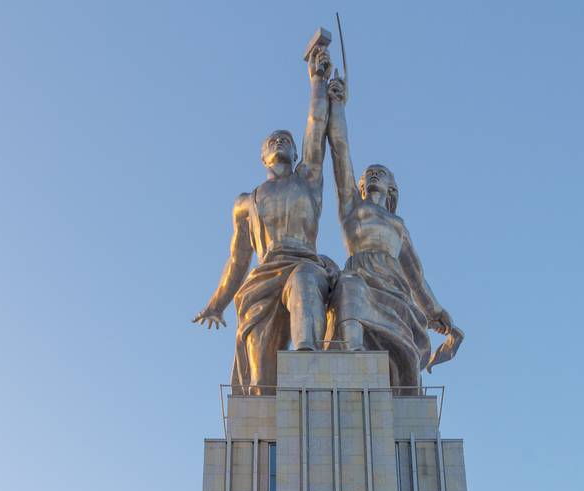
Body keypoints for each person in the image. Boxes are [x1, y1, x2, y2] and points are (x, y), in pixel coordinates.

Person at [193, 38, 339, 393]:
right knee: (260, 384)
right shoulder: (246, 202)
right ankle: (263, 437)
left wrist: (317, 79)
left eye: (285, 140)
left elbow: (316, 127)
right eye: (272, 140)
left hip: (303, 264)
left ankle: (309, 371)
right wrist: (217, 304)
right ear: (262, 157)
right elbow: (237, 260)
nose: (279, 142)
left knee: (305, 280)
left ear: (294, 151)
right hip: (263, 278)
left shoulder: (308, 180)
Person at [322, 70, 461, 392]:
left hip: (394, 287)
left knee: (402, 351)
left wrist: (435, 310)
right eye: (368, 174)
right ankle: (352, 353)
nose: (371, 175)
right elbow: (340, 152)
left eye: (380, 173)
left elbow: (416, 276)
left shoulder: (399, 227)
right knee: (349, 287)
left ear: (391, 187)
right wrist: (337, 106)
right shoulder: (351, 209)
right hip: (360, 273)